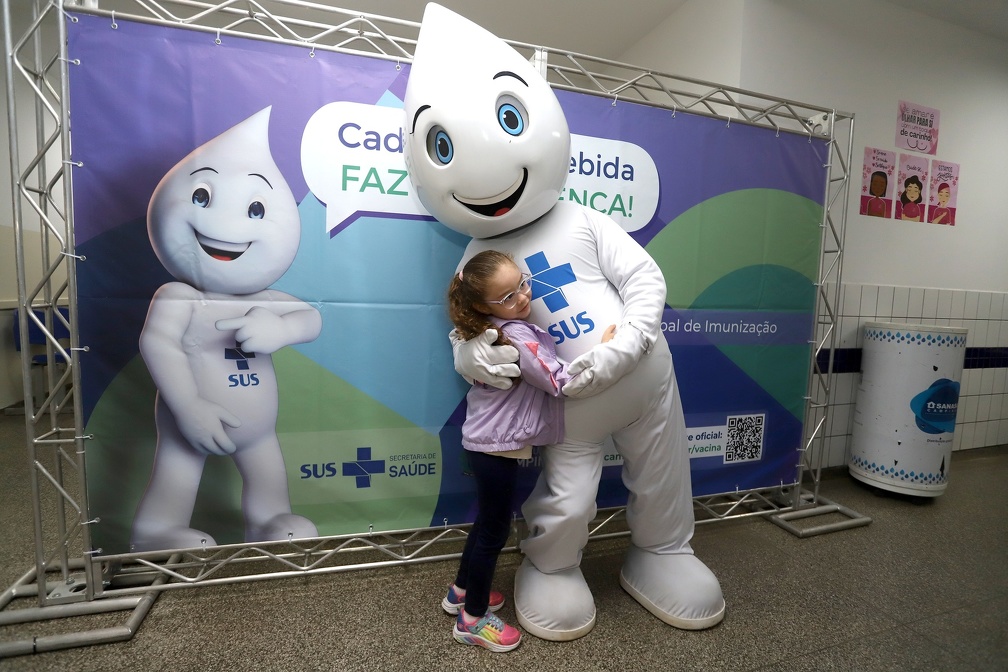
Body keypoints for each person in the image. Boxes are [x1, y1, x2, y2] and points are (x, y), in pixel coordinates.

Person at [442, 250, 614, 652]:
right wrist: (605, 350)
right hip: (497, 445)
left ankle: (460, 592)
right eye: (506, 297)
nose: (521, 297)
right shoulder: (517, 334)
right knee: (494, 530)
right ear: (483, 306)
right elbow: (556, 380)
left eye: (522, 283)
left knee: (486, 523)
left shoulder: (493, 327)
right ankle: (472, 619)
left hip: (489, 442)